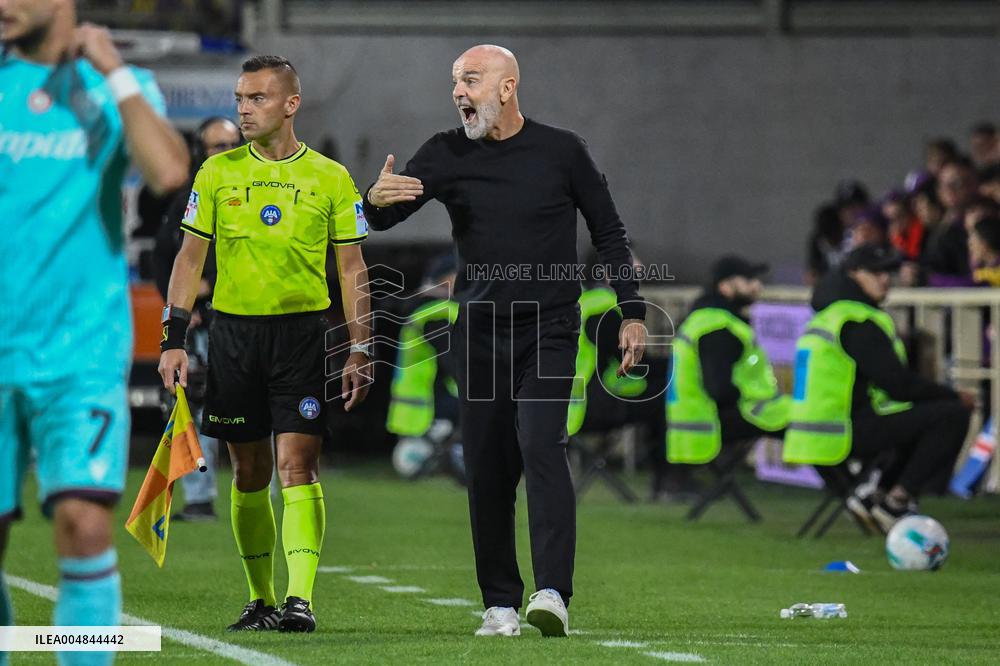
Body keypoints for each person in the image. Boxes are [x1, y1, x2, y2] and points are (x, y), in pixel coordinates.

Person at [363, 44, 646, 638]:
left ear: (507, 87)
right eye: (454, 83)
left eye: (470, 81)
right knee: (488, 470)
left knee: (543, 446)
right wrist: (372, 200)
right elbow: (384, 219)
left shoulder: (562, 151)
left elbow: (611, 233)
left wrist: (632, 311)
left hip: (550, 328)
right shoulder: (444, 151)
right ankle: (498, 603)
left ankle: (552, 593)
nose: (458, 92)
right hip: (481, 333)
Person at [0, 0, 189, 658]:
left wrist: (112, 72)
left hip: (78, 352)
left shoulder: (114, 85)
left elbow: (168, 170)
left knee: (83, 525)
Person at [158, 55, 372, 633]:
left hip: (302, 338)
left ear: (290, 104)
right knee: (248, 472)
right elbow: (189, 257)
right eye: (240, 99)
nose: (243, 109)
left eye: (256, 98)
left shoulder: (330, 177)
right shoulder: (216, 173)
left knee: (296, 466)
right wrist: (173, 338)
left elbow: (351, 268)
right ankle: (261, 598)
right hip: (232, 337)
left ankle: (300, 600)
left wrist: (361, 346)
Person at [784, 244, 974, 532]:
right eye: (875, 272)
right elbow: (898, 385)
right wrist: (953, 394)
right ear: (853, 275)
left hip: (811, 434)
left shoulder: (828, 316)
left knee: (916, 417)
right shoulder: (858, 320)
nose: (885, 279)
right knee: (952, 413)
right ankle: (895, 501)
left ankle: (873, 496)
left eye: (889, 272)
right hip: (842, 432)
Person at [153, 116, 242, 522]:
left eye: (230, 145)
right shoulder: (187, 198)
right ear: (199, 153)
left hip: (248, 319)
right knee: (192, 406)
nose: (223, 154)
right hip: (201, 325)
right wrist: (181, 311)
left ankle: (272, 493)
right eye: (215, 147)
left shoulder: (256, 191)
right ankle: (200, 496)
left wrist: (212, 281)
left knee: (264, 408)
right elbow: (165, 260)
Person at [667, 255, 790, 465]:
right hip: (719, 417)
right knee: (812, 423)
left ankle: (852, 489)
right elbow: (719, 389)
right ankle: (852, 490)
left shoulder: (706, 320)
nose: (756, 286)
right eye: (748, 280)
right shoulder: (717, 327)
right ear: (725, 286)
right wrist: (751, 397)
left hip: (701, 417)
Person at [923, 158, 978, 284]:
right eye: (945, 185)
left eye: (957, 183)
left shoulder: (990, 221)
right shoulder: (939, 232)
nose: (950, 190)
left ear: (973, 184)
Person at [969, 216, 1000, 287]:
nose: (970, 245)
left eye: (973, 239)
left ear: (984, 243)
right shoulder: (982, 267)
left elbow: (970, 283)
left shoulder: (991, 275)